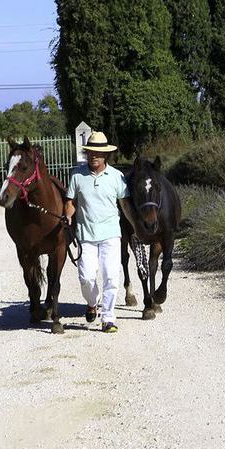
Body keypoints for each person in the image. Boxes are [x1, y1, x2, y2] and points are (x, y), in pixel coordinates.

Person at [65, 131, 137, 333]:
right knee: (86, 277)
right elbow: (70, 201)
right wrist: (68, 215)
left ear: (105, 155)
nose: (94, 156)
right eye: (90, 152)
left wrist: (135, 227)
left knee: (111, 276)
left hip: (111, 234)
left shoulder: (117, 177)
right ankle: (92, 302)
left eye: (98, 153)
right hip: (86, 235)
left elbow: (124, 205)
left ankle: (108, 318)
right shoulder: (77, 175)